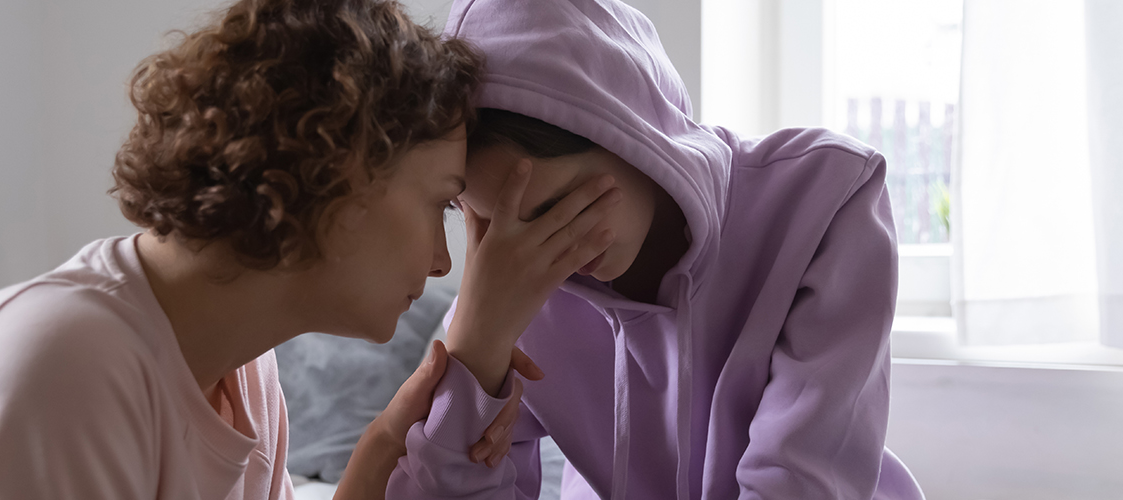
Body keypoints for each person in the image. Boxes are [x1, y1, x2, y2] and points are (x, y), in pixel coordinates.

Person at [0, 0, 574, 498]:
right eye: (440, 204)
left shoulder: (243, 374)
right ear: (340, 170)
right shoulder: (69, 362)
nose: (443, 263)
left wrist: (382, 448)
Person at [387, 0, 925, 498]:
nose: (547, 253)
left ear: (631, 134)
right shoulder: (511, 286)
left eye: (559, 210)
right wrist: (474, 354)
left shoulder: (824, 202)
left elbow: (799, 482)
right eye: (498, 228)